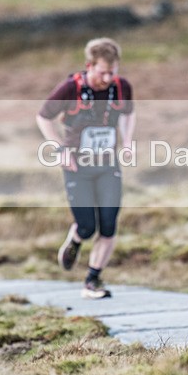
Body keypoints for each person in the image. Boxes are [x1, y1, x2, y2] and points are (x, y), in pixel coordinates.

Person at [37, 37, 135, 299]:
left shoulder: (122, 86)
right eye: (102, 72)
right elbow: (43, 117)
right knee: (88, 226)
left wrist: (127, 142)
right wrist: (59, 147)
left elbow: (127, 113)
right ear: (89, 66)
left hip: (107, 165)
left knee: (109, 224)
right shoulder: (70, 88)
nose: (107, 78)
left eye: (112, 72)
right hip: (77, 165)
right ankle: (76, 238)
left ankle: (92, 280)